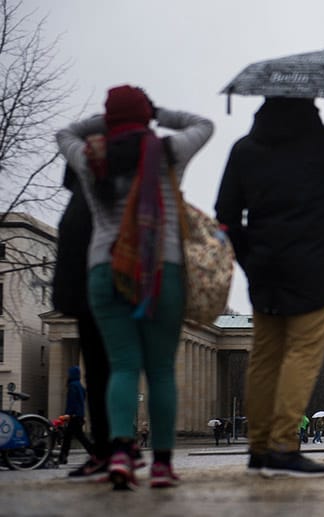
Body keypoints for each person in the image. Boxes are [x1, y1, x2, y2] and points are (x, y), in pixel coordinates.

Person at [56, 85, 214, 490]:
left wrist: (106, 124)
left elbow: (66, 133)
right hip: (163, 268)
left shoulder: (92, 159)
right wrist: (156, 115)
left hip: (105, 269)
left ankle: (121, 452)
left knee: (122, 367)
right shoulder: (166, 153)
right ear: (145, 117)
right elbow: (203, 124)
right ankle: (162, 463)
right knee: (160, 370)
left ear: (108, 121)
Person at [216, 96, 324, 478]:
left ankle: (259, 448)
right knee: (301, 353)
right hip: (313, 266)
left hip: (264, 266)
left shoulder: (245, 148)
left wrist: (250, 259)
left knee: (265, 355)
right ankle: (283, 447)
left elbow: (226, 213)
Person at [51, 166, 113, 481]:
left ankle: (105, 451)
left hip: (90, 295)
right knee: (110, 369)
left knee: (102, 368)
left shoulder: (80, 206)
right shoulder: (107, 201)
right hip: (104, 293)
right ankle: (108, 450)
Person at [58, 366, 93, 466]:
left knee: (77, 437)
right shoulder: (80, 386)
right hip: (79, 415)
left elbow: (71, 401)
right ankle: (62, 457)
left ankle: (93, 453)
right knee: (70, 437)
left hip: (74, 415)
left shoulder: (72, 385)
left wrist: (68, 413)